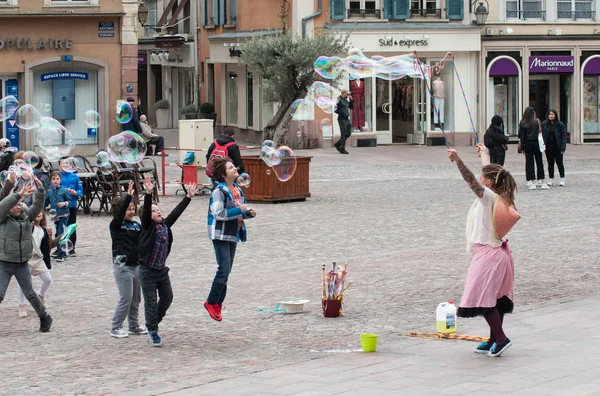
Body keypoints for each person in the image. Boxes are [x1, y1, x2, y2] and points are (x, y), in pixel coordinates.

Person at [447, 148, 517, 357]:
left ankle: (501, 338)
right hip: (499, 253)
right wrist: (485, 153)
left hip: (489, 254)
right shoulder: (499, 195)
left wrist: (458, 160)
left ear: (487, 182)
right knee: (495, 299)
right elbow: (490, 175)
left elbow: (473, 183)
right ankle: (494, 339)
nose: (479, 178)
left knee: (481, 296)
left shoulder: (487, 197)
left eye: (483, 177)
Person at [138, 176, 197, 346]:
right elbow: (147, 208)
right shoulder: (147, 227)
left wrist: (188, 197)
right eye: (153, 210)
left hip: (161, 270)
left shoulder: (164, 225)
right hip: (147, 271)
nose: (158, 211)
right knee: (150, 302)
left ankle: (153, 321)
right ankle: (152, 330)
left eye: (158, 209)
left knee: (167, 298)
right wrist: (148, 193)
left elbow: (175, 214)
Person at [204, 157, 256, 322]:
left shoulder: (237, 190)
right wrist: (239, 210)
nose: (235, 169)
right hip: (220, 234)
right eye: (231, 167)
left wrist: (248, 213)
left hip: (233, 233)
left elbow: (240, 210)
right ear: (222, 174)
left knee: (227, 271)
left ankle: (217, 303)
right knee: (224, 269)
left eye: (234, 166)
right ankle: (211, 302)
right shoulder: (219, 191)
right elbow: (219, 213)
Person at [0, 176, 53, 333]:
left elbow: (37, 206)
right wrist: (18, 195)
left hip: (22, 263)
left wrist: (41, 190)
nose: (17, 206)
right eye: (14, 204)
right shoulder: (2, 218)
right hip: (4, 262)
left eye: (19, 205)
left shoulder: (26, 217)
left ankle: (45, 317)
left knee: (30, 293)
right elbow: (2, 205)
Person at [109, 182, 146, 338]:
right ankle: (116, 326)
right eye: (128, 209)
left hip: (135, 265)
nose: (131, 211)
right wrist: (129, 196)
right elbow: (119, 216)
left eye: (133, 209)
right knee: (126, 297)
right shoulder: (116, 225)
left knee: (136, 298)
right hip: (122, 266)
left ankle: (133, 325)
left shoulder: (137, 226)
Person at [17, 211, 58, 318]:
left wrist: (60, 239)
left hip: (38, 258)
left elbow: (49, 245)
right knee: (24, 283)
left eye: (41, 212)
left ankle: (41, 295)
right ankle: (22, 305)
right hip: (27, 258)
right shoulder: (29, 227)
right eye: (36, 212)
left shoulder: (44, 230)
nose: (39, 214)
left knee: (47, 279)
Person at [518, 107, 548, 190]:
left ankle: (533, 182)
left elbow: (522, 136)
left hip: (527, 143)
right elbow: (540, 132)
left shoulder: (523, 122)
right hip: (536, 143)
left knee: (529, 163)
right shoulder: (536, 121)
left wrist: (522, 147)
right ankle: (543, 182)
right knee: (539, 162)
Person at [59, 158, 83, 256]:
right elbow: (52, 187)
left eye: (67, 163)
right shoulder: (58, 176)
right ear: (59, 166)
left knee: (72, 226)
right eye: (63, 163)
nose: (65, 165)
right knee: (61, 226)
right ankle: (61, 248)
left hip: (72, 205)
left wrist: (75, 193)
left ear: (71, 165)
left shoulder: (75, 177)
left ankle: (72, 248)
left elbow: (80, 190)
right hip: (60, 205)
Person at [45, 172, 71, 262]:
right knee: (57, 233)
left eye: (57, 179)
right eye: (53, 179)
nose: (55, 181)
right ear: (50, 180)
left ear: (60, 180)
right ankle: (59, 250)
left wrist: (64, 203)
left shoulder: (64, 190)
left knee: (61, 232)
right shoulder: (49, 191)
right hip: (55, 215)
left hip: (64, 214)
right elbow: (46, 202)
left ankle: (62, 254)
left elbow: (70, 201)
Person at [541, 109, 567, 187]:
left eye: (552, 114)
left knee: (559, 163)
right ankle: (551, 178)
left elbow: (564, 136)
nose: (550, 116)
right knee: (550, 163)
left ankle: (562, 178)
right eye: (549, 114)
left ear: (555, 115)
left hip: (557, 147)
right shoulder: (544, 124)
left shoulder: (560, 124)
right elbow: (542, 135)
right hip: (548, 147)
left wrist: (563, 147)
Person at [334, 89, 353, 154]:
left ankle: (337, 144)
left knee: (349, 133)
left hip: (346, 119)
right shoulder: (339, 100)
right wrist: (342, 113)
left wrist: (351, 100)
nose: (348, 95)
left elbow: (351, 107)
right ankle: (342, 148)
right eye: (347, 94)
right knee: (343, 134)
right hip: (341, 118)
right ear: (344, 93)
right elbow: (335, 109)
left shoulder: (346, 101)